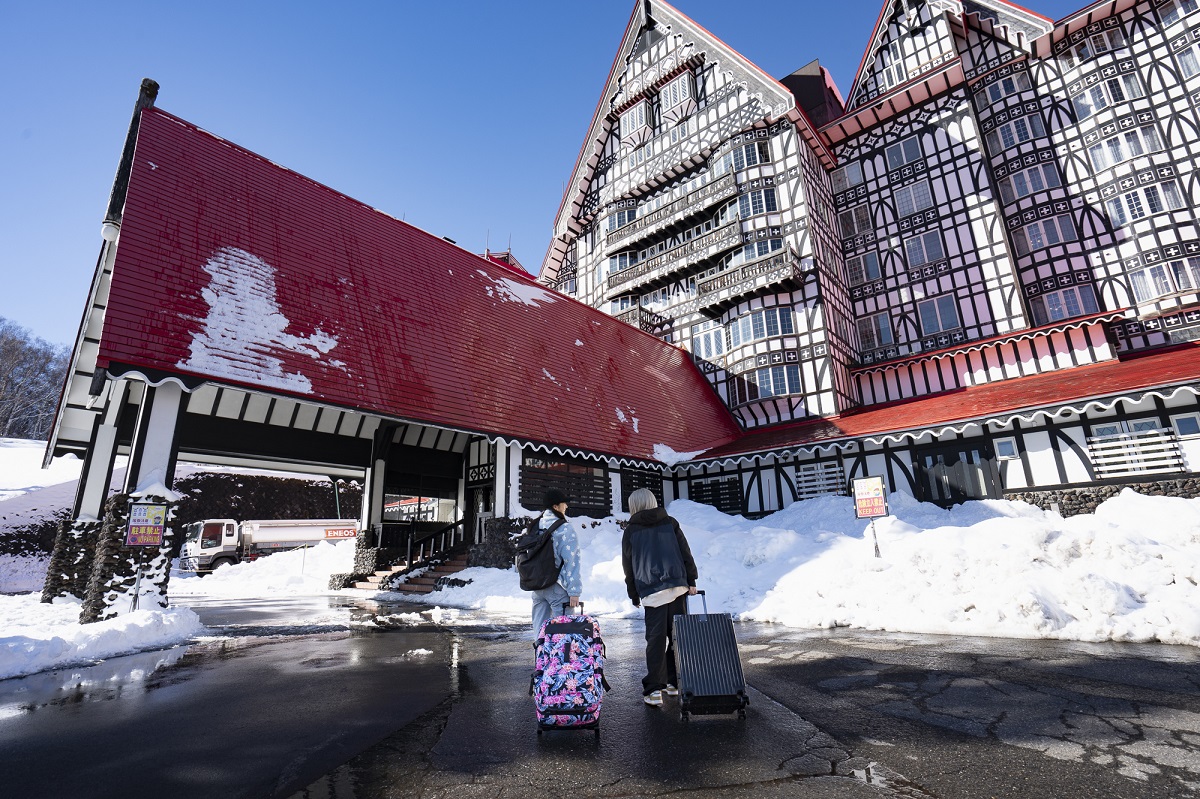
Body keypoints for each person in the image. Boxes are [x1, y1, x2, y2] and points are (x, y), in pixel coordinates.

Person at [621, 488, 698, 707]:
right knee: (676, 637)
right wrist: (691, 580)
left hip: (651, 590)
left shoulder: (631, 530)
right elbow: (685, 552)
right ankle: (675, 683)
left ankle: (655, 689)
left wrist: (633, 593)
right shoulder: (670, 522)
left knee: (656, 640)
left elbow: (629, 566)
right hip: (676, 586)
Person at [529, 487, 583, 636]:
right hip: (556, 586)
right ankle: (563, 660)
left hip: (537, 586)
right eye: (563, 503)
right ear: (555, 507)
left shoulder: (535, 525)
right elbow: (572, 561)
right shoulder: (564, 528)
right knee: (564, 635)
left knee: (540, 634)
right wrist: (574, 591)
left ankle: (540, 659)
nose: (566, 506)